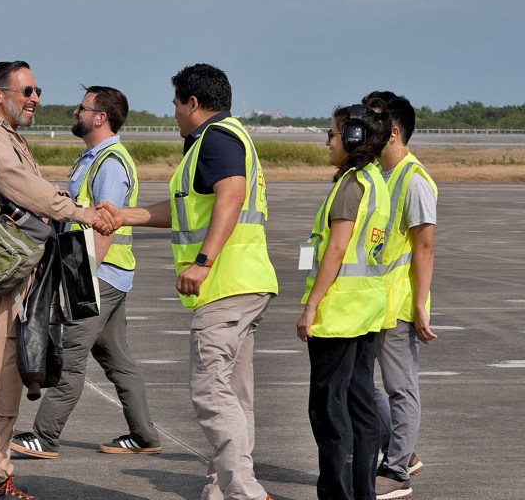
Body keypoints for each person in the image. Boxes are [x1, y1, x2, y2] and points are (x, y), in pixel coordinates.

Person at [101, 63, 278, 500]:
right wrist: (128, 215)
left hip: (224, 285)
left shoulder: (215, 139)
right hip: (245, 283)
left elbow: (231, 196)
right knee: (233, 395)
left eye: (176, 103)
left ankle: (245, 493)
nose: (174, 112)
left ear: (193, 103)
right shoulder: (216, 141)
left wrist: (202, 261)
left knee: (210, 393)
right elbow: (184, 211)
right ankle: (222, 489)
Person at [0, 61, 114, 500]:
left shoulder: (3, 133)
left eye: (36, 90)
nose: (35, 98)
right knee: (0, 374)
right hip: (4, 272)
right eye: (26, 90)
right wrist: (80, 211)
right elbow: (20, 186)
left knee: (7, 369)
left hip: (15, 268)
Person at [9, 85, 162, 459]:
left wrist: (80, 282)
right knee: (117, 359)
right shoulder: (93, 158)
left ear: (100, 117)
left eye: (82, 107)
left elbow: (104, 226)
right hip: (105, 274)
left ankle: (45, 436)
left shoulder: (110, 161)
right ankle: (144, 435)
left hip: (97, 275)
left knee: (70, 357)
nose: (75, 112)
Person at [296, 103, 392, 500]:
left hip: (339, 313)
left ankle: (336, 494)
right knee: (360, 403)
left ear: (352, 139)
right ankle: (362, 492)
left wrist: (310, 306)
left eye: (332, 135)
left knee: (328, 408)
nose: (328, 142)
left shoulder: (351, 185)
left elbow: (335, 251)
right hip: (367, 310)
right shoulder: (375, 181)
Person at [363, 92, 438, 500]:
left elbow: (424, 248)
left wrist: (421, 306)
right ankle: (403, 453)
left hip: (399, 304)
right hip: (369, 301)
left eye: (374, 124)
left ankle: (396, 471)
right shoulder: (376, 173)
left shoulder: (414, 181)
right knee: (360, 382)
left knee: (399, 387)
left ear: (393, 132)